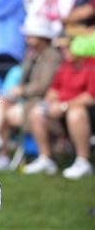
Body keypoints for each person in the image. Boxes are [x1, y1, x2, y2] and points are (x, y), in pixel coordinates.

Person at [0, 17, 61, 171]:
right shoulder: (31, 54)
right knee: (0, 101)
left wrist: (22, 90)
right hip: (26, 101)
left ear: (42, 37)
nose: (27, 38)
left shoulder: (52, 56)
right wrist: (17, 90)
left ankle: (4, 152)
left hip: (39, 103)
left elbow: (43, 86)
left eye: (31, 35)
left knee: (7, 111)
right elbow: (22, 79)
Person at [23, 37, 94, 179]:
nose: (62, 50)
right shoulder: (65, 65)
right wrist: (50, 103)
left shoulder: (91, 65)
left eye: (66, 47)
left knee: (76, 113)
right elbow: (53, 91)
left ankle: (83, 161)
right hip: (62, 114)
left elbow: (90, 97)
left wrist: (63, 106)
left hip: (86, 116)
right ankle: (46, 159)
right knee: (37, 112)